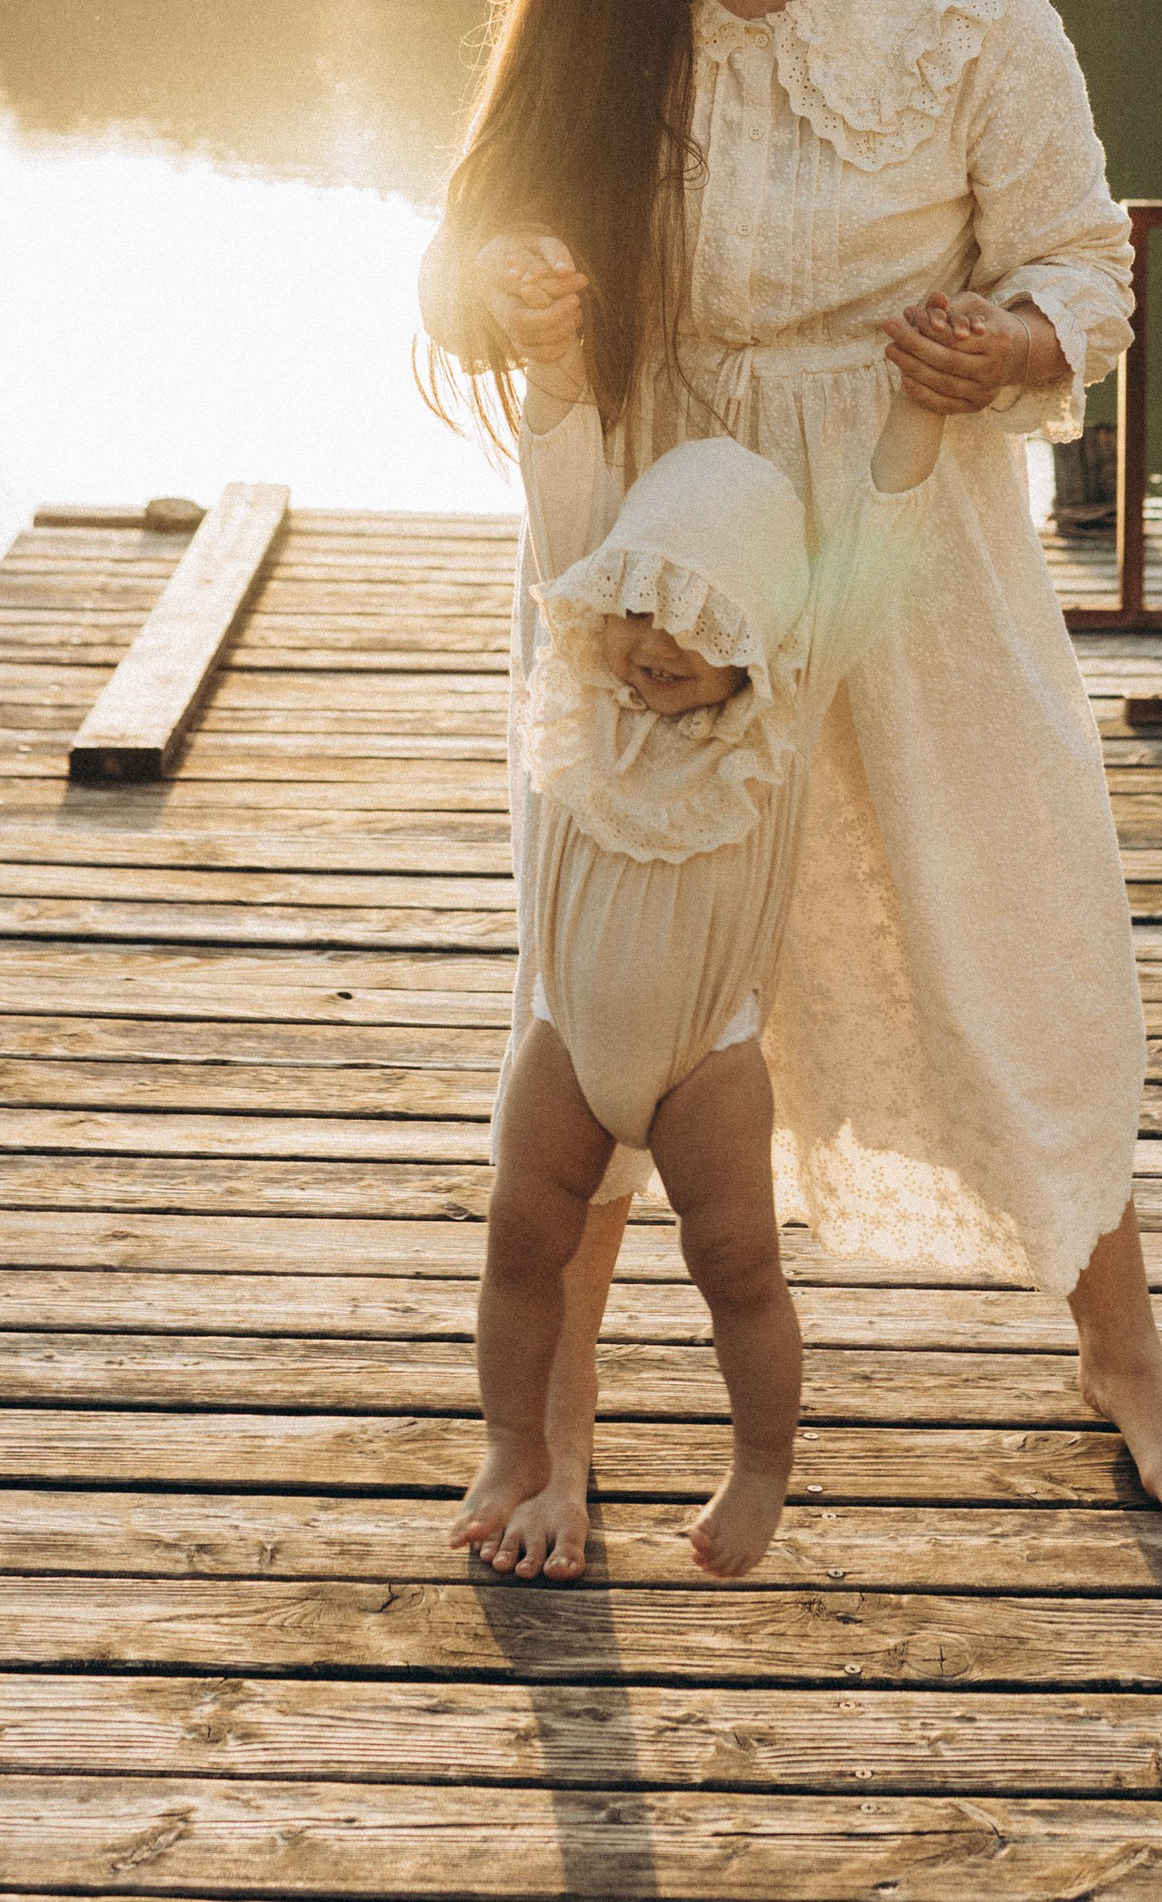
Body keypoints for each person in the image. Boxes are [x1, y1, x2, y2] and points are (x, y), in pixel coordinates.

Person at [420, 0, 1162, 1576]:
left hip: (899, 536)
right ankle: (549, 1423)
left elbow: (1087, 266)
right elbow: (461, 243)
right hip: (670, 545)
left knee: (1009, 917)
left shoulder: (971, 3)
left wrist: (1016, 347)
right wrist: (494, 286)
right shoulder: (618, 4)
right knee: (619, 969)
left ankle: (1122, 1354)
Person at [451, 324, 946, 1579]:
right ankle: (514, 1442)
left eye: (695, 613)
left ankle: (762, 1461)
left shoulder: (769, 727)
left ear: (757, 632)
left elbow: (873, 540)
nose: (653, 642)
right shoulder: (580, 692)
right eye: (636, 603)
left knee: (736, 1261)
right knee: (520, 1238)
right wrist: (555, 362)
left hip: (706, 1060)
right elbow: (559, 475)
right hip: (564, 1041)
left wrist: (920, 414)